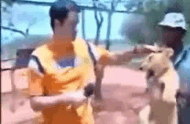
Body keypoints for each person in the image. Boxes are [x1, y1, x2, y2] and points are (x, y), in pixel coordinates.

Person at [27, 0, 155, 124]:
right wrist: (68, 98)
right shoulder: (39, 58)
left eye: (77, 24)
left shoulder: (85, 47)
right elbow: (35, 103)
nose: (76, 29)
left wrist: (136, 51)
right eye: (72, 24)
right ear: (57, 23)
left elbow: (115, 59)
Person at [157, 6, 190, 124]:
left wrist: (179, 93)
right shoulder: (159, 59)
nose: (166, 33)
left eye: (171, 29)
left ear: (181, 33)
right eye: (165, 29)